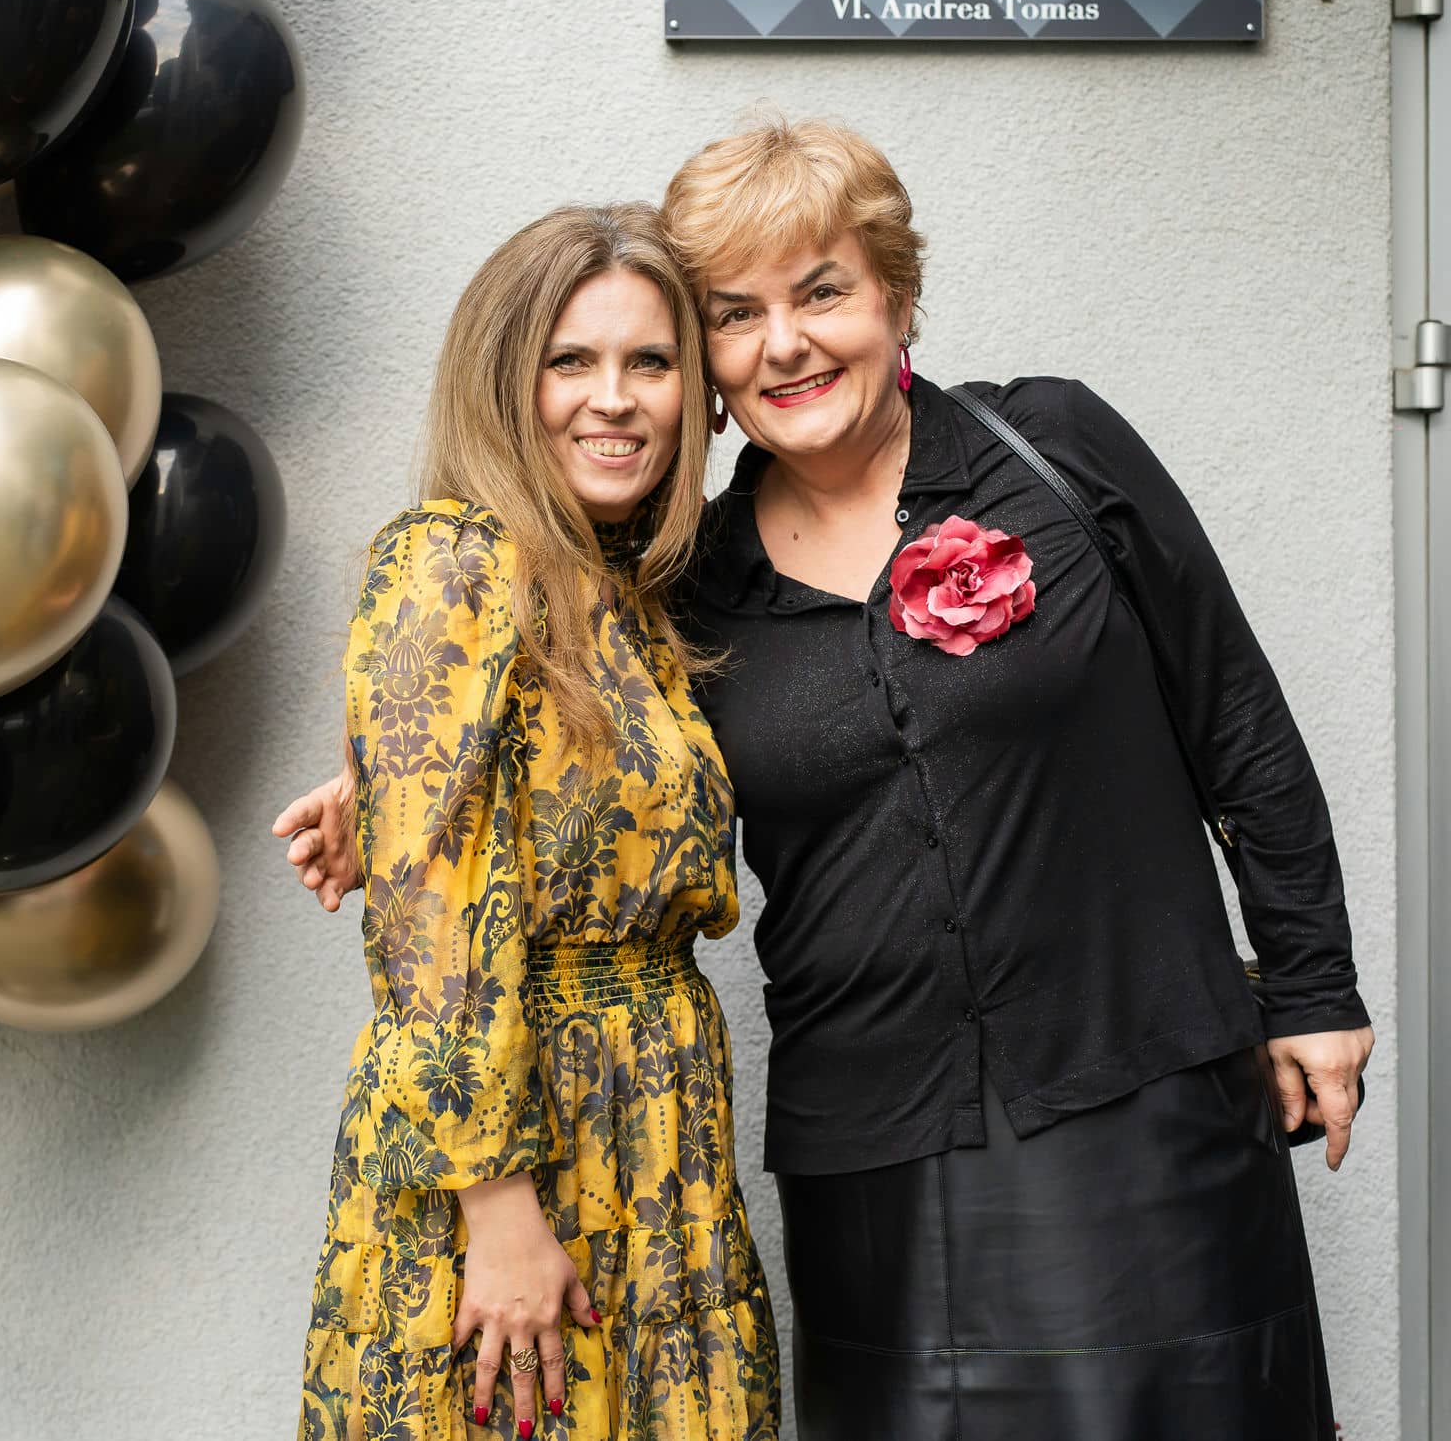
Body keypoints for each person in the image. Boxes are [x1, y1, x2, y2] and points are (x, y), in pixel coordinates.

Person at [281, 119, 1372, 1440]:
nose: (785, 344)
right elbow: (545, 728)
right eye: (736, 315)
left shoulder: (1054, 451)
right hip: (876, 1155)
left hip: (1143, 1100)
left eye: (822, 293)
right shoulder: (694, 579)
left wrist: (1312, 983)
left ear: (895, 297)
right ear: (716, 369)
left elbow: (1234, 716)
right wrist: (381, 788)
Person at [292, 203, 779, 1441]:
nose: (613, 399)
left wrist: (383, 794)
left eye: (649, 361)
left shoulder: (633, 593)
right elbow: (435, 929)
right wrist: (498, 1212)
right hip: (520, 1154)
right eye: (571, 360)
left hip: (658, 1133)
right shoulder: (455, 560)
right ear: (506, 382)